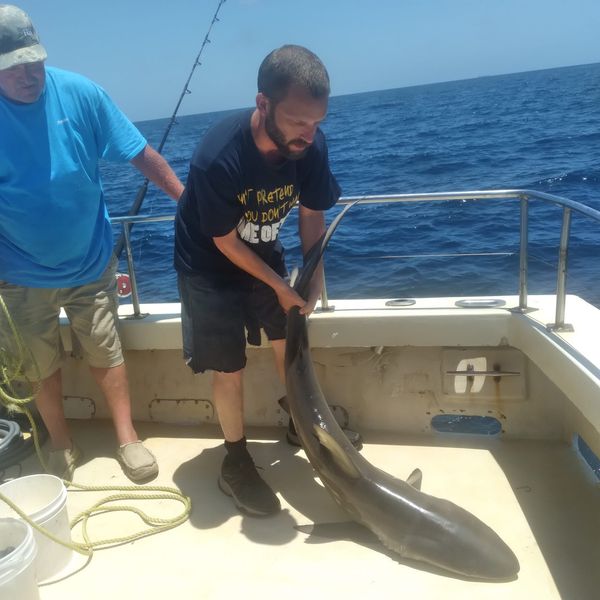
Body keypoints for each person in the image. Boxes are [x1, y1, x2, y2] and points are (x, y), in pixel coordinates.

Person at [0, 5, 185, 482]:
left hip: (89, 258)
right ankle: (60, 443)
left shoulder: (81, 93)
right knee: (38, 364)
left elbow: (140, 154)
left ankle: (128, 438)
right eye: (13, 65)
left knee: (106, 350)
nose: (28, 74)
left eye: (33, 60)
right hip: (18, 271)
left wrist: (189, 201)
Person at [175, 44, 360, 517]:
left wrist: (313, 273)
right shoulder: (218, 157)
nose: (308, 133)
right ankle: (235, 461)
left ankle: (302, 423)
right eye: (298, 121)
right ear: (263, 104)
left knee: (289, 339)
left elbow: (312, 213)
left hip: (261, 250)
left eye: (317, 121)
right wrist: (281, 285)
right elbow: (224, 243)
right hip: (209, 262)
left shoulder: (311, 145)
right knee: (228, 366)